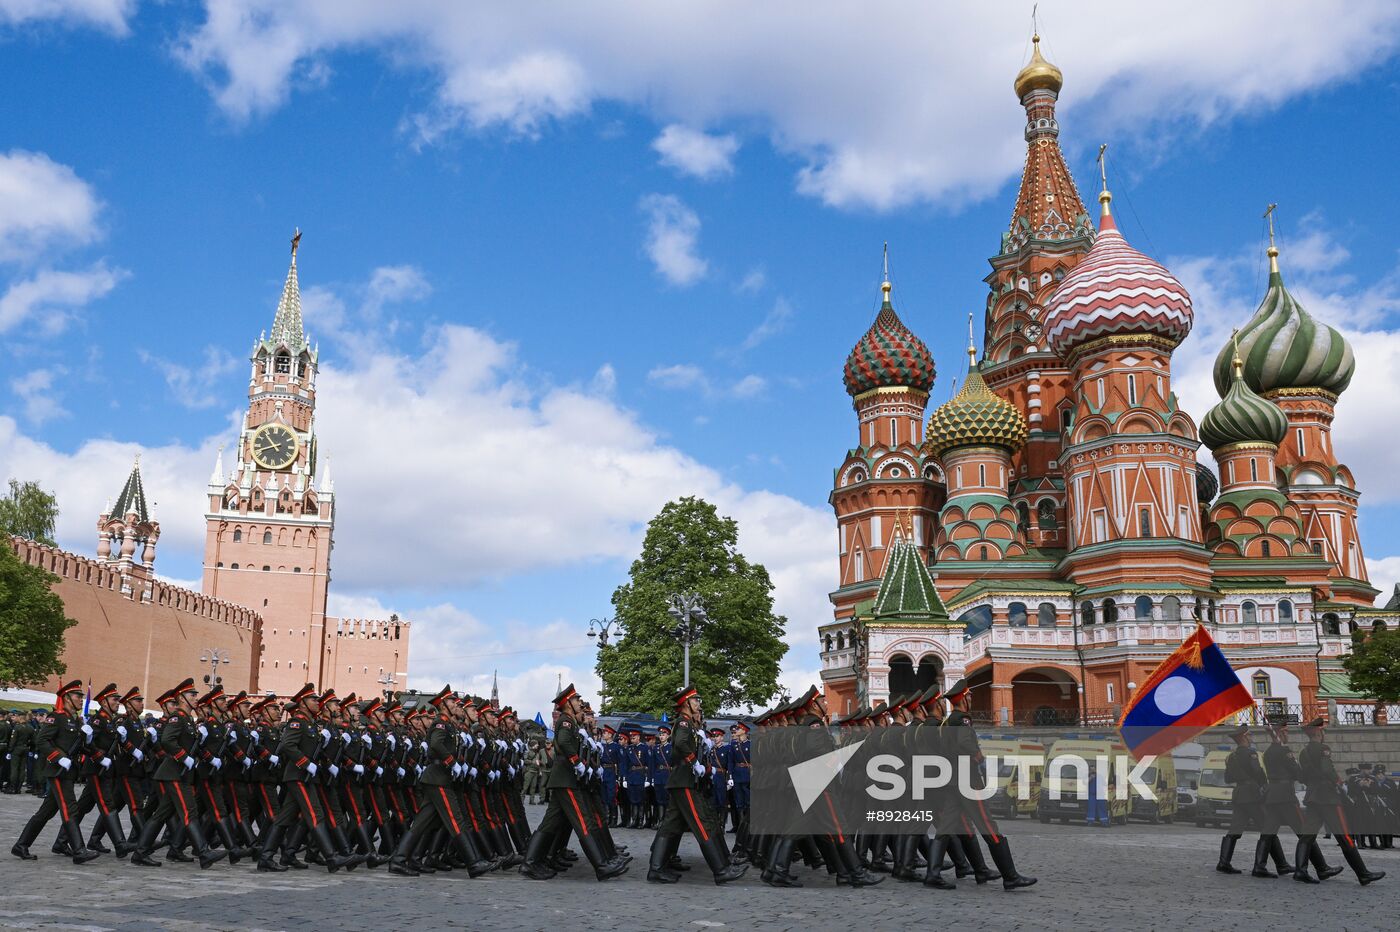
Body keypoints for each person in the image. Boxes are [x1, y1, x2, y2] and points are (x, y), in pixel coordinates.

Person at [518, 683, 628, 881]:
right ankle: (601, 865)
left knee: (550, 824)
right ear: (568, 703)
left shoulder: (570, 722)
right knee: (583, 820)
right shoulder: (565, 722)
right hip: (566, 779)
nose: (579, 703)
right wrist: (577, 763)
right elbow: (565, 743)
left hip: (565, 779)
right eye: (576, 700)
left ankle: (531, 863)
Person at [646, 685, 747, 885]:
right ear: (686, 704)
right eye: (694, 701)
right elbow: (681, 745)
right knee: (702, 823)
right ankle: (721, 869)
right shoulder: (683, 723)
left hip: (683, 779)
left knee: (671, 826)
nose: (698, 703)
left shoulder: (688, 724)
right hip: (684, 778)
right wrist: (695, 763)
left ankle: (656, 870)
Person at [126, 678, 228, 869]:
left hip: (179, 774)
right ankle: (204, 852)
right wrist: (183, 757)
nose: (196, 698)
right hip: (173, 773)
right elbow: (167, 740)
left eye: (196, 695)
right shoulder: (177, 717)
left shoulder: (188, 719)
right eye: (192, 695)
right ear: (181, 698)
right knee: (189, 812)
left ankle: (140, 853)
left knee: (160, 816)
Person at [10, 680, 103, 864]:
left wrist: (93, 747)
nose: (80, 699)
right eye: (78, 696)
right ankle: (79, 850)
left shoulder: (75, 720)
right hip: (58, 771)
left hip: (68, 771)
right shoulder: (57, 717)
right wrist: (58, 757)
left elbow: (79, 747)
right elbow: (42, 740)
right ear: (67, 698)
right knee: (71, 808)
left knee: (46, 812)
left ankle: (21, 845)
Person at [1297, 717, 1384, 885]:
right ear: (1317, 732)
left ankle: (1301, 870)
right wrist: (1339, 782)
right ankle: (1363, 873)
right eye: (1322, 731)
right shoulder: (1323, 748)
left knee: (1307, 836)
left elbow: (1303, 777)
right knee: (1344, 836)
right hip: (1328, 798)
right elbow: (1326, 769)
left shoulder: (1303, 752)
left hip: (1313, 796)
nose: (1324, 734)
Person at [1216, 724, 1275, 876]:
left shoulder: (1231, 757)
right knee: (1267, 828)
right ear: (1243, 737)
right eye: (1249, 736)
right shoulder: (1251, 753)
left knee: (1235, 829)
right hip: (1251, 794)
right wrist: (1265, 786)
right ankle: (1261, 867)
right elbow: (1258, 772)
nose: (1251, 738)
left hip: (1238, 794)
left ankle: (1223, 862)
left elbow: (1228, 778)